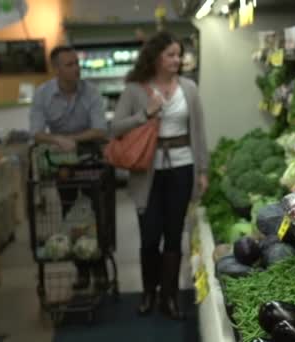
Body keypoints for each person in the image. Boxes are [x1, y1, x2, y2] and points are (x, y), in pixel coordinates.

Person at [111, 32, 209, 320]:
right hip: (147, 172)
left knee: (174, 234)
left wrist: (203, 170)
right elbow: (116, 128)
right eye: (171, 55)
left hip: (182, 168)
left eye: (179, 55)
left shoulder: (189, 88)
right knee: (149, 236)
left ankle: (169, 297)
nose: (178, 60)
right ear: (155, 57)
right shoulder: (134, 90)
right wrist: (145, 113)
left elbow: (199, 133)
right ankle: (148, 293)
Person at [30, 45, 108, 291]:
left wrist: (72, 139)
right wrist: (57, 140)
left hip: (91, 160)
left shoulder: (91, 92)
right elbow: (36, 132)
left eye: (77, 63)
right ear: (56, 69)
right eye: (70, 64)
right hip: (63, 165)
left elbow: (100, 129)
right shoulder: (43, 95)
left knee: (99, 215)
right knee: (69, 216)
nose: (77, 68)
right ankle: (82, 270)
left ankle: (101, 269)